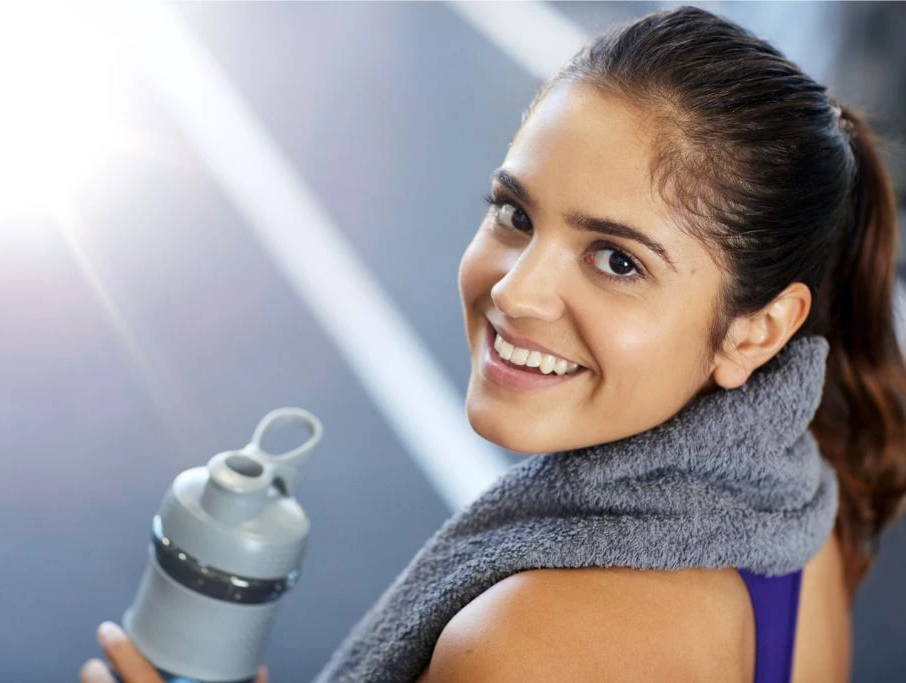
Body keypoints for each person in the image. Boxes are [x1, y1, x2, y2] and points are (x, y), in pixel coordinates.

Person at [82, 6, 906, 682]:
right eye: (516, 213)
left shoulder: (526, 644)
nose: (515, 291)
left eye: (617, 259)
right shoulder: (804, 525)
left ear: (757, 329)